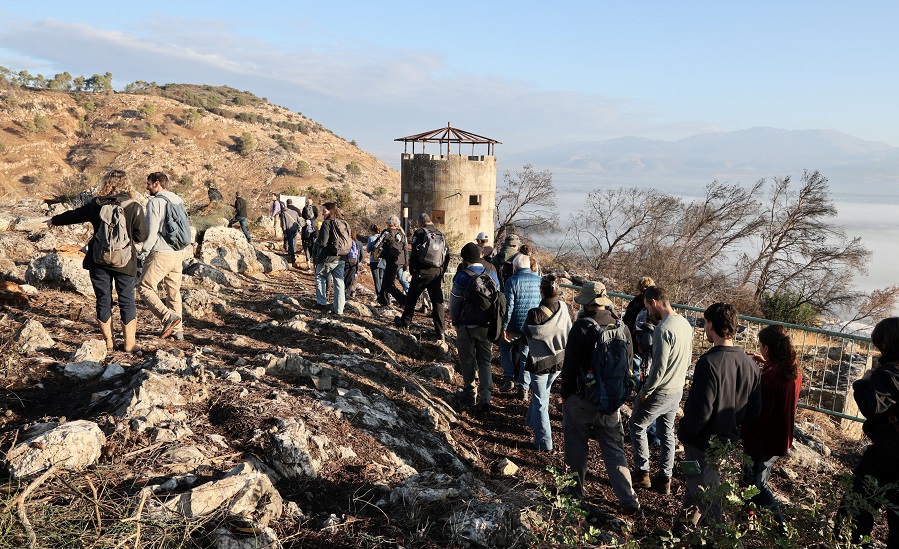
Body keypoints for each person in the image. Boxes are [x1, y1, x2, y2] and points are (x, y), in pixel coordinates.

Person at [675, 302, 761, 534]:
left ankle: (723, 539)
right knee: (699, 487)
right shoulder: (750, 364)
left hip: (701, 442)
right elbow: (754, 410)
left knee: (707, 498)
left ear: (711, 325)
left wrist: (684, 433)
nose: (704, 328)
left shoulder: (709, 362)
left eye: (704, 323)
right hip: (728, 441)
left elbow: (700, 411)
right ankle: (680, 530)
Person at [560, 281, 640, 514]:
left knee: (576, 447)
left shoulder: (582, 328)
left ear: (586, 304)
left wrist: (565, 395)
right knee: (614, 450)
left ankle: (574, 494)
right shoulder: (622, 328)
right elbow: (629, 364)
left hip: (582, 398)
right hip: (611, 402)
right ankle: (628, 499)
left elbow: (570, 366)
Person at [47, 169, 147, 352]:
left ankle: (109, 342)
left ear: (106, 183)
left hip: (98, 259)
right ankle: (130, 344)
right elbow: (141, 236)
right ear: (127, 184)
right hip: (125, 261)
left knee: (103, 299)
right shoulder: (134, 206)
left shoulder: (96, 204)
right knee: (127, 300)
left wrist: (54, 220)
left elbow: (75, 215)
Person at [836, 317, 899, 548]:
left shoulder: (887, 374)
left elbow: (872, 407)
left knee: (854, 508)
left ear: (885, 342)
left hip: (887, 454)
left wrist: (863, 382)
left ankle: (850, 543)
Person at [630, 285, 694, 496]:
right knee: (667, 433)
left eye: (648, 307)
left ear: (655, 303)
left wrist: (645, 390)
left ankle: (642, 473)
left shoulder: (663, 329)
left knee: (637, 424)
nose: (647, 312)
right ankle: (665, 477)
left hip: (660, 390)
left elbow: (658, 367)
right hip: (676, 390)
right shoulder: (685, 323)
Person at [740, 325, 802, 523]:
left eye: (759, 346)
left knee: (756, 483)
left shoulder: (770, 378)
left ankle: (780, 527)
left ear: (766, 348)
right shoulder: (793, 372)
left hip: (764, 439)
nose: (758, 349)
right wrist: (765, 364)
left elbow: (760, 414)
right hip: (781, 436)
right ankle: (747, 516)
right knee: (755, 477)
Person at [450, 242, 501, 415]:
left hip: (466, 325)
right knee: (485, 361)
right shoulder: (492, 274)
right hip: (487, 326)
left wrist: (455, 321)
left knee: (467, 360)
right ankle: (486, 398)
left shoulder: (462, 276)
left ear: (464, 259)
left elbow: (455, 302)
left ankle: (469, 394)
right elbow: (498, 301)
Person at [523, 274, 572, 451]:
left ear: (541, 292)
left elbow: (524, 336)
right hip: (560, 360)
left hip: (540, 363)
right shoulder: (566, 308)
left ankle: (544, 442)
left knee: (541, 400)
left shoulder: (534, 314)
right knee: (541, 395)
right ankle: (531, 422)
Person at [138, 172, 185, 341]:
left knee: (144, 287)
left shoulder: (155, 202)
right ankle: (178, 331)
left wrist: (143, 251)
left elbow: (152, 232)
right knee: (173, 291)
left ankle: (167, 317)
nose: (147, 187)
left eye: (149, 183)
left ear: (157, 183)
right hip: (178, 253)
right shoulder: (178, 200)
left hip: (160, 253)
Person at [395, 213, 448, 342]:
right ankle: (440, 331)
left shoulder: (420, 233)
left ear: (421, 222)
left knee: (412, 297)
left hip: (421, 272)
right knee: (437, 302)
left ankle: (405, 322)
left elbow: (415, 253)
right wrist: (442, 271)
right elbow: (447, 254)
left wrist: (412, 269)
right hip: (436, 273)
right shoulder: (440, 234)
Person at [499, 253, 541, 399]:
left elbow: (508, 307)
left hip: (514, 325)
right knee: (525, 355)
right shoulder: (539, 281)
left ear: (515, 267)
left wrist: (504, 327)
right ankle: (523, 387)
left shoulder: (512, 281)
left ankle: (509, 377)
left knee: (505, 348)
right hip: (532, 326)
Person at [312, 202, 348, 315]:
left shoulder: (327, 223)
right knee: (339, 282)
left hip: (328, 257)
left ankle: (321, 302)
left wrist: (316, 243)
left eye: (324, 211)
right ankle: (339, 310)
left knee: (320, 276)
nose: (322, 213)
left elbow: (323, 242)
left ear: (330, 211)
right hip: (342, 256)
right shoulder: (344, 222)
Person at [374, 215, 408, 308]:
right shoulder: (402, 233)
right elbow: (405, 249)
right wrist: (406, 264)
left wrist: (382, 248)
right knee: (386, 280)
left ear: (389, 223)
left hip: (392, 261)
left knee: (389, 284)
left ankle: (404, 300)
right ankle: (383, 301)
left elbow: (376, 244)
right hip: (401, 261)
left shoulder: (387, 232)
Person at [365, 224, 384, 294]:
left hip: (374, 260)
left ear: (372, 231)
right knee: (381, 278)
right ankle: (384, 295)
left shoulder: (371, 238)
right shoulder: (383, 237)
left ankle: (379, 294)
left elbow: (368, 250)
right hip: (382, 260)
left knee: (376, 280)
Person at [281, 199, 301, 264]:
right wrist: (298, 228)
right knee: (294, 242)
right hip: (295, 229)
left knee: (290, 244)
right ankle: (292, 253)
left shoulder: (283, 213)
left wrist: (284, 232)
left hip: (289, 230)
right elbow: (299, 221)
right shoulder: (295, 212)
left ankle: (292, 257)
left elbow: (283, 224)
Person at [344, 230, 360, 300]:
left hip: (347, 260)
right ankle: (348, 293)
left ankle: (344, 292)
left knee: (344, 277)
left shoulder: (347, 241)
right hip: (354, 261)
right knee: (350, 278)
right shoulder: (356, 242)